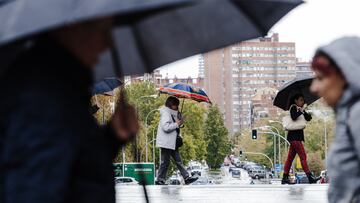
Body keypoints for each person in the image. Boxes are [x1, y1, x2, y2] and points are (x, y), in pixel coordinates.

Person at [0, 18, 139, 202]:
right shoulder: (43, 95)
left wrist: (113, 137)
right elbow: (34, 190)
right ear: (74, 26)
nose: (109, 44)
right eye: (103, 32)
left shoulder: (61, 86)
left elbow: (74, 167)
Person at [310, 37, 360, 203]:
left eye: (321, 78)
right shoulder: (347, 114)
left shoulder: (357, 113)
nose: (314, 88)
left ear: (346, 76)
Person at [155, 96, 198, 185]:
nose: (177, 107)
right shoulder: (166, 113)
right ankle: (159, 179)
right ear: (171, 105)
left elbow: (176, 126)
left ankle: (186, 177)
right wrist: (176, 124)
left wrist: (180, 122)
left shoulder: (172, 113)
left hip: (172, 142)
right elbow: (166, 127)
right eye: (176, 105)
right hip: (166, 142)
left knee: (178, 160)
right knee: (165, 162)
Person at [281, 94, 320, 184]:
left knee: (290, 158)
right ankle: (310, 177)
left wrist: (304, 111)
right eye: (301, 100)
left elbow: (308, 118)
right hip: (295, 138)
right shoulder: (293, 108)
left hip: (296, 138)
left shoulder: (301, 109)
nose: (303, 102)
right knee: (303, 156)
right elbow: (294, 117)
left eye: (303, 100)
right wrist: (301, 110)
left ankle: (284, 177)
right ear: (296, 101)